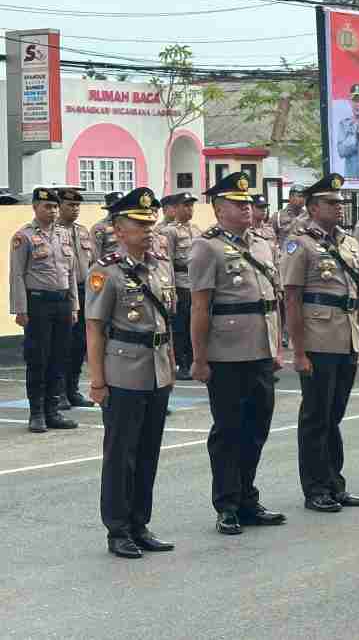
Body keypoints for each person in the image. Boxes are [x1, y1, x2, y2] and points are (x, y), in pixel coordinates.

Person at [189, 171, 286, 536]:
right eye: (238, 204)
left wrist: (276, 347)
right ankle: (227, 504)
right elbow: (200, 307)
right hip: (226, 353)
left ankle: (248, 497)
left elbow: (271, 302)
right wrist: (199, 358)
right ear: (218, 209)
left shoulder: (262, 243)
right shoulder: (206, 247)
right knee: (228, 432)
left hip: (260, 349)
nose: (247, 209)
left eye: (249, 203)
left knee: (256, 428)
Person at [86, 187, 176, 559]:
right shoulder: (105, 271)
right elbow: (94, 328)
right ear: (119, 229)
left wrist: (170, 363)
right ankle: (118, 529)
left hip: (157, 369)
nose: (148, 229)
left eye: (150, 222)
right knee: (121, 453)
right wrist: (97, 380)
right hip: (123, 370)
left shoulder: (159, 265)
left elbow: (167, 319)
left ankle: (140, 523)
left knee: (148, 452)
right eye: (138, 224)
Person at [283, 173, 359, 513]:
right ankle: (316, 487)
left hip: (346, 336)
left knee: (334, 416)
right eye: (332, 203)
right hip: (318, 339)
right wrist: (299, 351)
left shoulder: (348, 242)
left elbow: (357, 295)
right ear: (313, 206)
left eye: (340, 202)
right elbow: (292, 299)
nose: (339, 207)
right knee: (316, 417)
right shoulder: (299, 243)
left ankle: (335, 483)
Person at [10, 187, 80, 432]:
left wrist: (74, 305)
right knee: (38, 359)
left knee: (59, 357)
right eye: (46, 207)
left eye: (54, 207)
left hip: (62, 303)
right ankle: (37, 413)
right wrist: (20, 308)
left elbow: (70, 274)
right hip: (37, 303)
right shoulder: (24, 236)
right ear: (35, 207)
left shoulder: (63, 235)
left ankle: (53, 412)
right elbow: (17, 275)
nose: (51, 211)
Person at [57, 187, 96, 408]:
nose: (75, 209)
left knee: (80, 343)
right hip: (65, 293)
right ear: (60, 206)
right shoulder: (54, 231)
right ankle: (60, 392)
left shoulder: (83, 232)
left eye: (77, 205)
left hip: (85, 290)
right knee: (63, 343)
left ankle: (73, 390)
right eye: (70, 205)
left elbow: (93, 263)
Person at [159, 192, 201, 380]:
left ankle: (194, 360)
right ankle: (182, 364)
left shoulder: (196, 230)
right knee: (181, 327)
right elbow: (166, 262)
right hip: (181, 283)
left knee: (196, 324)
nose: (190, 209)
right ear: (176, 208)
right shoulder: (169, 232)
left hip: (196, 283)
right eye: (186, 206)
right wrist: (172, 289)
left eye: (191, 206)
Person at [92, 191, 124, 258]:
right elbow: (95, 255)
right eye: (117, 207)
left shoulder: (129, 225)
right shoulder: (99, 228)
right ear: (110, 209)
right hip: (109, 266)